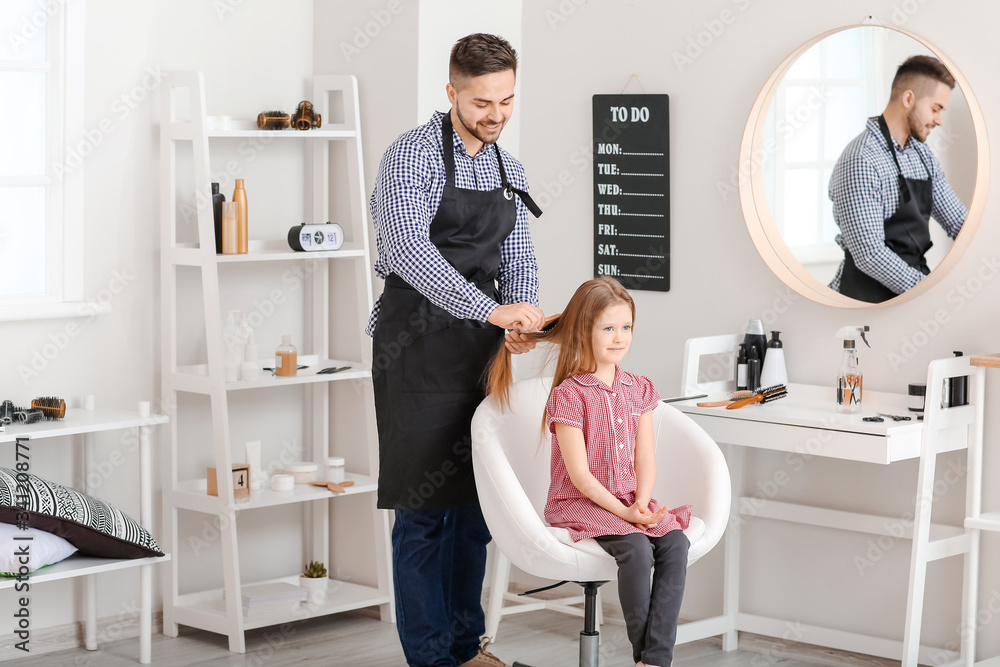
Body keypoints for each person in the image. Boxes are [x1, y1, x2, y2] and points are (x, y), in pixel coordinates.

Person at [367, 33, 545, 667]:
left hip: (479, 357)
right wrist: (489, 308)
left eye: (506, 100)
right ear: (451, 93)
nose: (495, 115)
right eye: (480, 102)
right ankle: (430, 657)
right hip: (413, 356)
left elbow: (517, 256)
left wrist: (518, 316)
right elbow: (411, 254)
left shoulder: (508, 169)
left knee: (475, 510)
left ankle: (468, 649)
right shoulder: (411, 157)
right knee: (422, 514)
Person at [487, 276, 692, 667]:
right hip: (580, 502)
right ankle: (645, 658)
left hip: (630, 499)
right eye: (608, 328)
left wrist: (642, 502)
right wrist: (627, 515)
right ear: (585, 331)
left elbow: (645, 456)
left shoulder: (639, 387)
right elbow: (579, 477)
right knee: (635, 549)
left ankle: (655, 659)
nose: (619, 338)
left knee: (675, 544)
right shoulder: (570, 393)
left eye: (626, 327)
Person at [828, 54, 968, 303]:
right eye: (935, 109)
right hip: (865, 300)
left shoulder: (922, 155)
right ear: (908, 99)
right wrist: (926, 292)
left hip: (911, 295)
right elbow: (869, 255)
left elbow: (959, 222)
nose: (939, 120)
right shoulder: (861, 159)